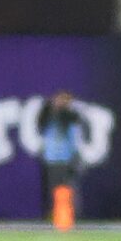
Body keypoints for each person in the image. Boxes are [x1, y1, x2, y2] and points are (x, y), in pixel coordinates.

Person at [32, 89, 90, 220]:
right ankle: (53, 214)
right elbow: (40, 122)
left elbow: (73, 123)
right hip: (51, 159)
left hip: (67, 158)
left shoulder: (71, 116)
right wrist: (51, 106)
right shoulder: (47, 115)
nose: (61, 103)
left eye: (65, 100)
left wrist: (63, 108)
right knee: (52, 190)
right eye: (59, 100)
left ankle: (69, 215)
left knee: (68, 189)